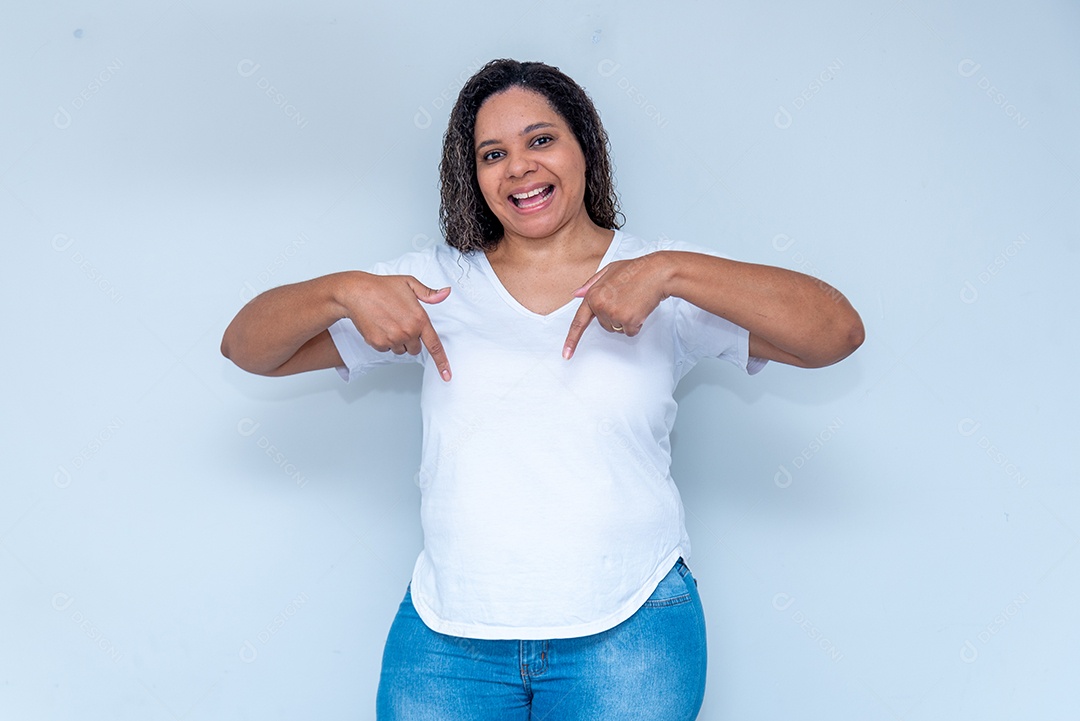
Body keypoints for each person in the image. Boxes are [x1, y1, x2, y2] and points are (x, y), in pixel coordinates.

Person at [221, 58, 863, 720]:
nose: (519, 166)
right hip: (448, 647)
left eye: (540, 139)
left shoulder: (660, 284)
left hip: (631, 635)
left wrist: (672, 270)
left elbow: (837, 332)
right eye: (493, 153)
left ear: (585, 144)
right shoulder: (431, 286)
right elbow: (247, 349)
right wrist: (340, 289)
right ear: (472, 176)